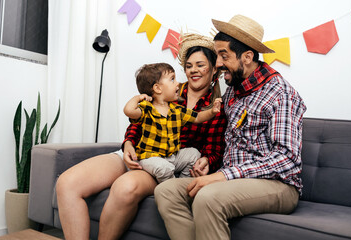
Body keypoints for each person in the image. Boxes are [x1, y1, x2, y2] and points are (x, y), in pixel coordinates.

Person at [55, 33, 227, 240]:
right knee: (67, 183)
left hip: (165, 164)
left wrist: (207, 160)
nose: (194, 70)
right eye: (189, 66)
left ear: (214, 68)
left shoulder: (216, 106)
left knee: (124, 187)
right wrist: (128, 143)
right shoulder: (168, 90)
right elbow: (138, 120)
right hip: (139, 152)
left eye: (200, 65)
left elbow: (215, 148)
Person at [154, 15, 307, 240]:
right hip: (234, 180)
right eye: (217, 55)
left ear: (247, 56)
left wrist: (224, 175)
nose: (217, 63)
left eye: (223, 55)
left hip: (277, 185)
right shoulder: (233, 91)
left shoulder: (280, 93)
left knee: (208, 197)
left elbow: (286, 159)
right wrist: (208, 161)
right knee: (166, 191)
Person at [123, 63, 222, 183]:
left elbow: (197, 117)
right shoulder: (146, 108)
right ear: (158, 88)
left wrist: (212, 111)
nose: (178, 83)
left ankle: (182, 183)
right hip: (150, 158)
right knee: (164, 168)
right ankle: (171, 187)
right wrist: (138, 98)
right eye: (172, 79)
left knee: (194, 154)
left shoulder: (176, 109)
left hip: (172, 156)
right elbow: (128, 110)